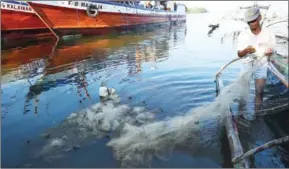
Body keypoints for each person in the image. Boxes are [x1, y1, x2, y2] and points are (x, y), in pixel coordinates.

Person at [236, 7, 276, 114]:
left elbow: (273, 50)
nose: (251, 23)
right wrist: (246, 50)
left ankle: (257, 114)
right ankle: (241, 115)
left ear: (260, 18)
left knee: (259, 91)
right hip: (246, 65)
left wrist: (270, 52)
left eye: (253, 20)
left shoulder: (269, 33)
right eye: (249, 21)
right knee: (243, 92)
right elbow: (239, 54)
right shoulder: (243, 35)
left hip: (262, 64)